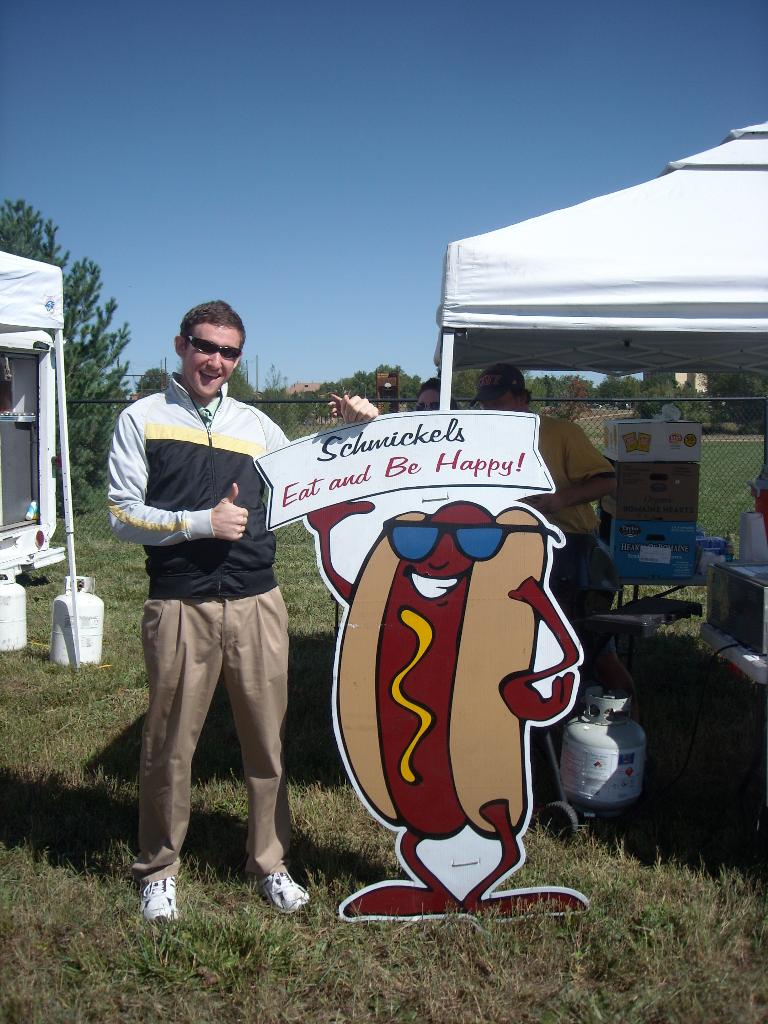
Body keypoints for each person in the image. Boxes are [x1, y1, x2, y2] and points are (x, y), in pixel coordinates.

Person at [108, 300, 377, 922]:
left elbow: (312, 476)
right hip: (180, 604)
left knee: (267, 745)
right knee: (169, 746)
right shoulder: (141, 418)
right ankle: (159, 867)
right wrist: (199, 523)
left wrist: (358, 430)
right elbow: (121, 515)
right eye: (205, 346)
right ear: (181, 344)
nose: (216, 361)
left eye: (228, 352)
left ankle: (270, 863)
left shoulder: (255, 424)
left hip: (258, 599)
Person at [475, 363, 637, 703]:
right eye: (485, 404)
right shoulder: (483, 436)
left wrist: (558, 500)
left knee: (584, 644)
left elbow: (607, 480)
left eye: (499, 402)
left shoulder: (561, 433)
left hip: (568, 551)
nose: (492, 411)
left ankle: (622, 711)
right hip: (508, 548)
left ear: (522, 398)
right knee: (517, 642)